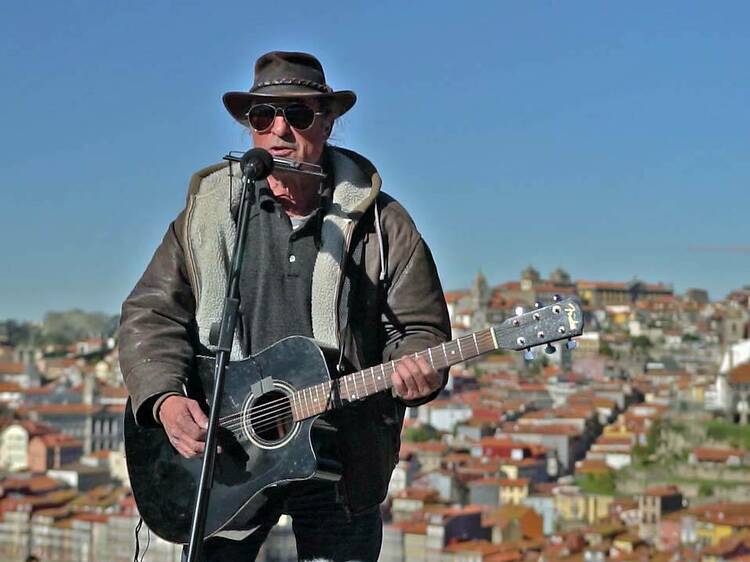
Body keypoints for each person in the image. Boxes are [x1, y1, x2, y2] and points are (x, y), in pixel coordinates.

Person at [119, 51, 451, 561]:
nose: (279, 130)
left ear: (328, 121)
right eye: (263, 117)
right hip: (230, 453)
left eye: (298, 115)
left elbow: (421, 330)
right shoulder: (209, 215)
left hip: (341, 454)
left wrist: (419, 369)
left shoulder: (384, 226)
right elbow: (151, 313)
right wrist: (164, 398)